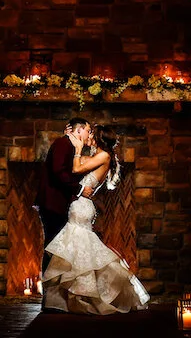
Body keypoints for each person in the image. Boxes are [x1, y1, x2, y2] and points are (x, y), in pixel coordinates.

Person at [41, 124, 150, 315]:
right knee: (77, 251)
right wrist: (70, 139)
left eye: (91, 133)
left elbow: (75, 168)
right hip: (79, 204)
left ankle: (87, 295)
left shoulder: (104, 156)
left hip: (82, 207)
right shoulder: (96, 156)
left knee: (81, 248)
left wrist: (75, 148)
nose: (88, 136)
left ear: (98, 138)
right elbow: (69, 166)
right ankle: (70, 297)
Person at [34, 117, 94, 276]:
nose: (89, 134)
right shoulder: (63, 143)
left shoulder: (70, 145)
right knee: (53, 246)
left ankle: (54, 289)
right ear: (79, 130)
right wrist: (80, 189)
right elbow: (59, 172)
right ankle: (49, 289)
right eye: (88, 130)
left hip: (57, 203)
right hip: (52, 203)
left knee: (56, 247)